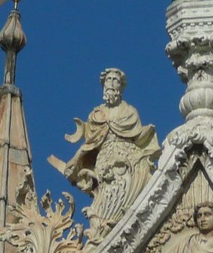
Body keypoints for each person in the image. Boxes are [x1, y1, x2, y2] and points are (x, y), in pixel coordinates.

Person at [50, 68, 160, 234]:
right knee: (105, 196)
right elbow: (90, 143)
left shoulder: (129, 112)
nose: (111, 83)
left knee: (125, 197)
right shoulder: (97, 115)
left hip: (125, 159)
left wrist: (147, 133)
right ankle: (102, 229)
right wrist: (75, 159)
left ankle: (117, 227)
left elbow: (137, 137)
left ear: (121, 87)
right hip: (104, 161)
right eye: (108, 80)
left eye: (115, 80)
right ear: (103, 85)